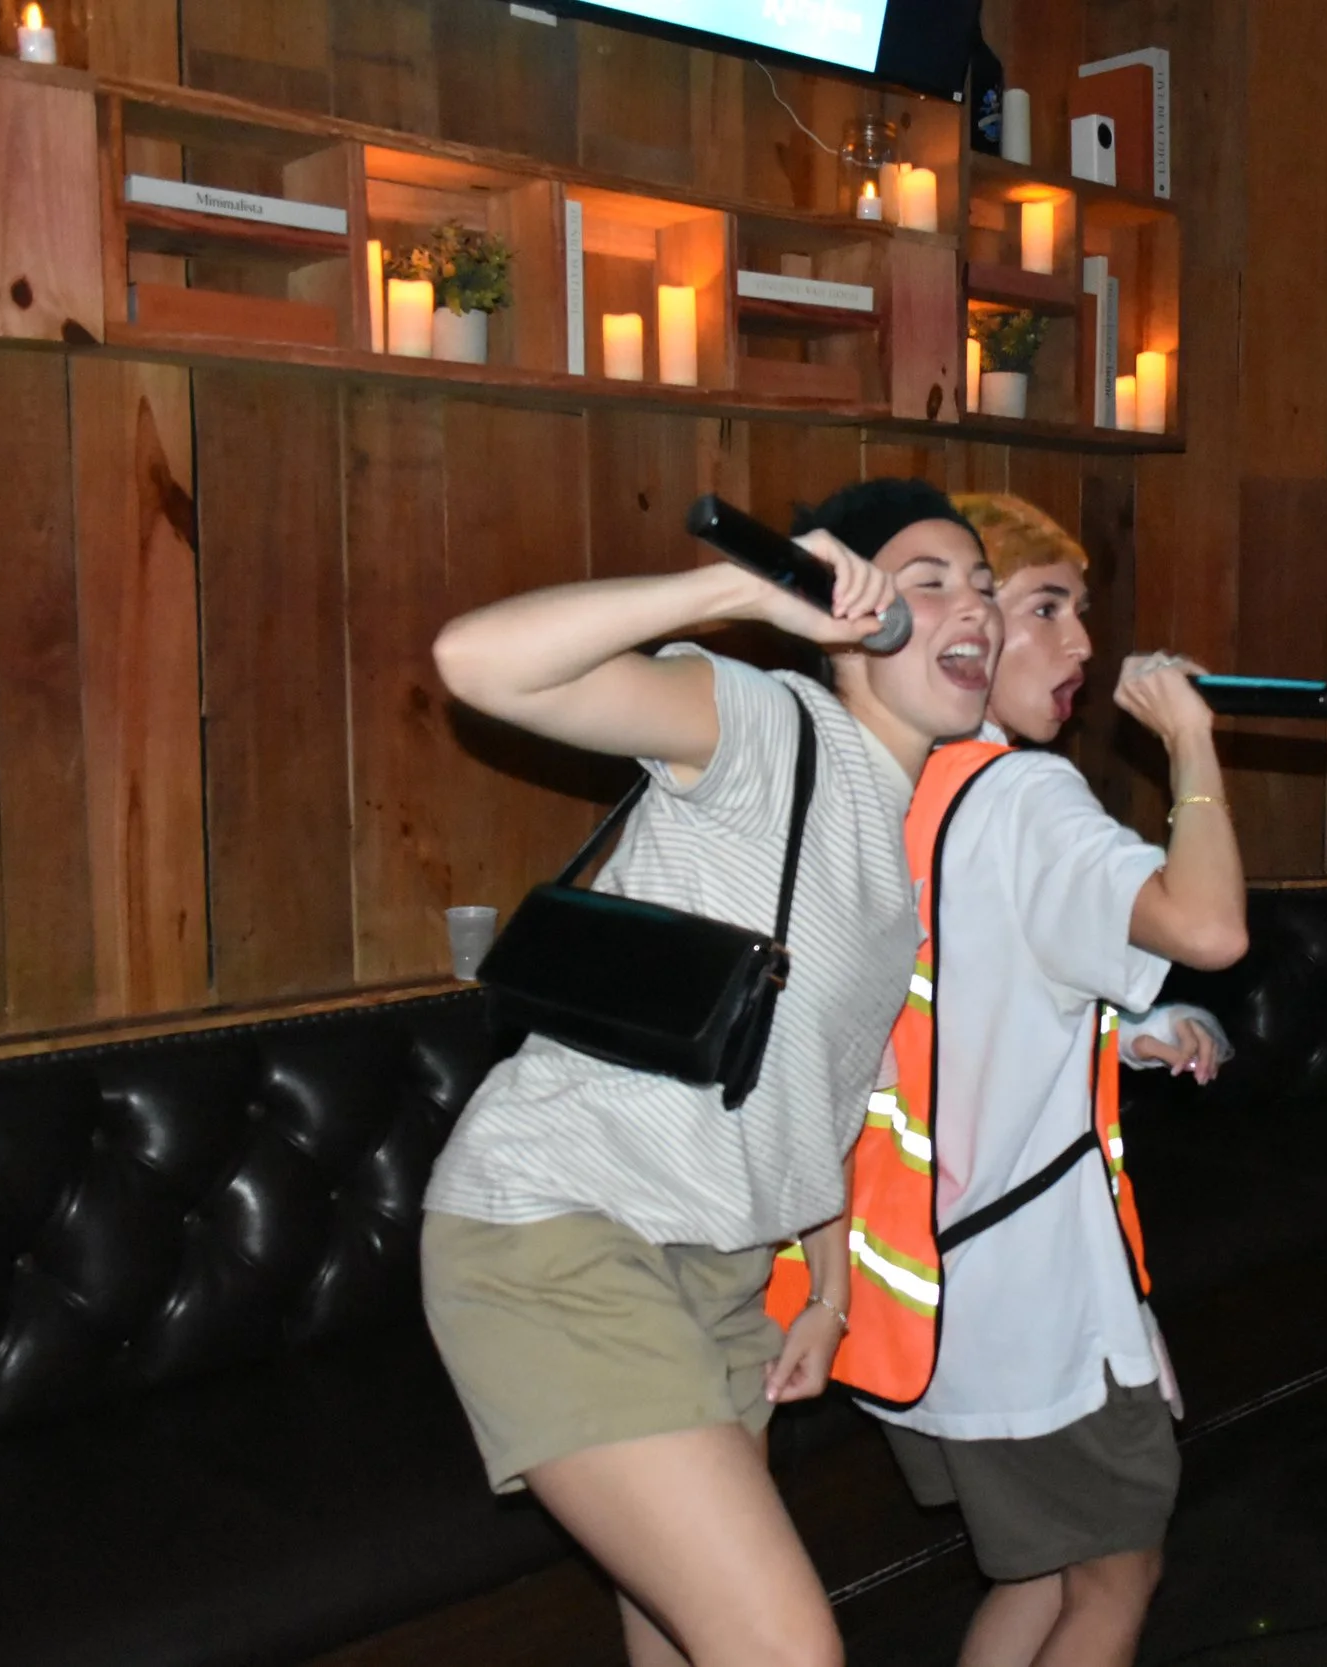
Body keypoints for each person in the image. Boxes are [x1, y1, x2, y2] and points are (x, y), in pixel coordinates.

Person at [420, 479, 999, 1667]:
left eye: (984, 588)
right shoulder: (764, 726)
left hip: (718, 1281)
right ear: (858, 606)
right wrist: (739, 591)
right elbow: (475, 659)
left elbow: (817, 1104)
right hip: (564, 1234)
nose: (971, 608)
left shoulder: (890, 873)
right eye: (928, 578)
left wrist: (826, 1291)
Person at [774, 492, 1246, 1667]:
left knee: (1039, 1574)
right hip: (1034, 1306)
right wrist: (1190, 744)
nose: (1083, 644)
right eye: (1043, 607)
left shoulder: (885, 786)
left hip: (919, 1295)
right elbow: (1211, 927)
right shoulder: (1026, 795)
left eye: (1075, 609)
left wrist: (1113, 1031)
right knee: (1115, 1575)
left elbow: (943, 1005)